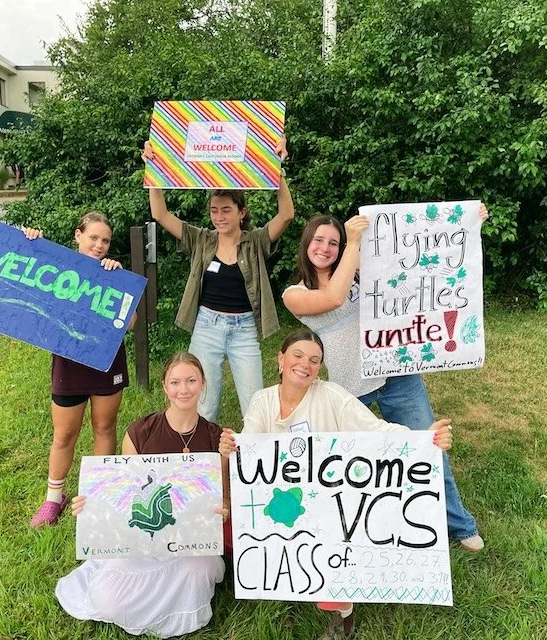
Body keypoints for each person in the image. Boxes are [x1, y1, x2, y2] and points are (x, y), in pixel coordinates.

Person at [219, 331, 453, 639]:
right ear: (280, 359)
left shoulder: (331, 395)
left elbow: (374, 430)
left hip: (328, 500)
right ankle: (281, 585)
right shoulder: (262, 400)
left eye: (315, 360)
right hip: (283, 498)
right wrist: (233, 447)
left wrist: (424, 439)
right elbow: (251, 450)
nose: (305, 364)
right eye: (298, 356)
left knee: (335, 540)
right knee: (246, 526)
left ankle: (343, 617)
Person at [281, 207, 489, 552]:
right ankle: (358, 527)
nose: (326, 248)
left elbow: (418, 261)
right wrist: (352, 244)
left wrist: (466, 225)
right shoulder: (294, 293)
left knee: (428, 444)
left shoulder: (360, 267)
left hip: (397, 374)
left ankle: (459, 524)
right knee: (352, 462)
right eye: (319, 240)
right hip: (349, 387)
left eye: (334, 242)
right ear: (306, 244)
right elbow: (333, 297)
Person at [56, 353, 228, 638]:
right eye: (175, 382)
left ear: (203, 384)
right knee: (107, 599)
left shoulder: (215, 437)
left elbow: (223, 499)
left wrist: (223, 508)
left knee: (198, 572)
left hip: (190, 543)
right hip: (143, 540)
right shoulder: (140, 432)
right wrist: (92, 507)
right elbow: (125, 497)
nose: (183, 389)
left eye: (191, 381)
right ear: (164, 387)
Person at [141, 138, 294, 423]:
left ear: (241, 212)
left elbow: (286, 215)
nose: (219, 217)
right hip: (207, 327)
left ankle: (251, 462)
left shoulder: (256, 241)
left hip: (244, 329)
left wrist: (278, 169)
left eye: (226, 210)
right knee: (203, 406)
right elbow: (160, 214)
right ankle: (202, 461)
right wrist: (153, 169)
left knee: (254, 405)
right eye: (214, 210)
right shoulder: (201, 239)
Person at [23, 213, 133, 528]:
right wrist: (29, 242)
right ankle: (53, 499)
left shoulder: (114, 275)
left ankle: (99, 495)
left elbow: (133, 323)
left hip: (106, 362)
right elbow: (30, 284)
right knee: (64, 434)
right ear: (78, 236)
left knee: (104, 428)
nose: (99, 245)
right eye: (93, 237)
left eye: (105, 240)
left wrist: (120, 284)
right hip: (69, 364)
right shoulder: (59, 269)